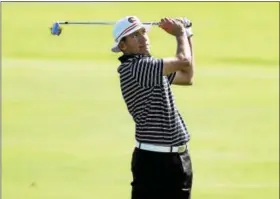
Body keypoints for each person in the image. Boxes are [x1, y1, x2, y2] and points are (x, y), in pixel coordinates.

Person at [111, 16, 195, 199]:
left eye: (142, 32)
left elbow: (187, 77)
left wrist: (187, 33)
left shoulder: (152, 68)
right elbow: (183, 60)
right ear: (123, 46)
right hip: (155, 162)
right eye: (134, 36)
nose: (143, 39)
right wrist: (180, 32)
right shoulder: (138, 68)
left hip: (177, 160)